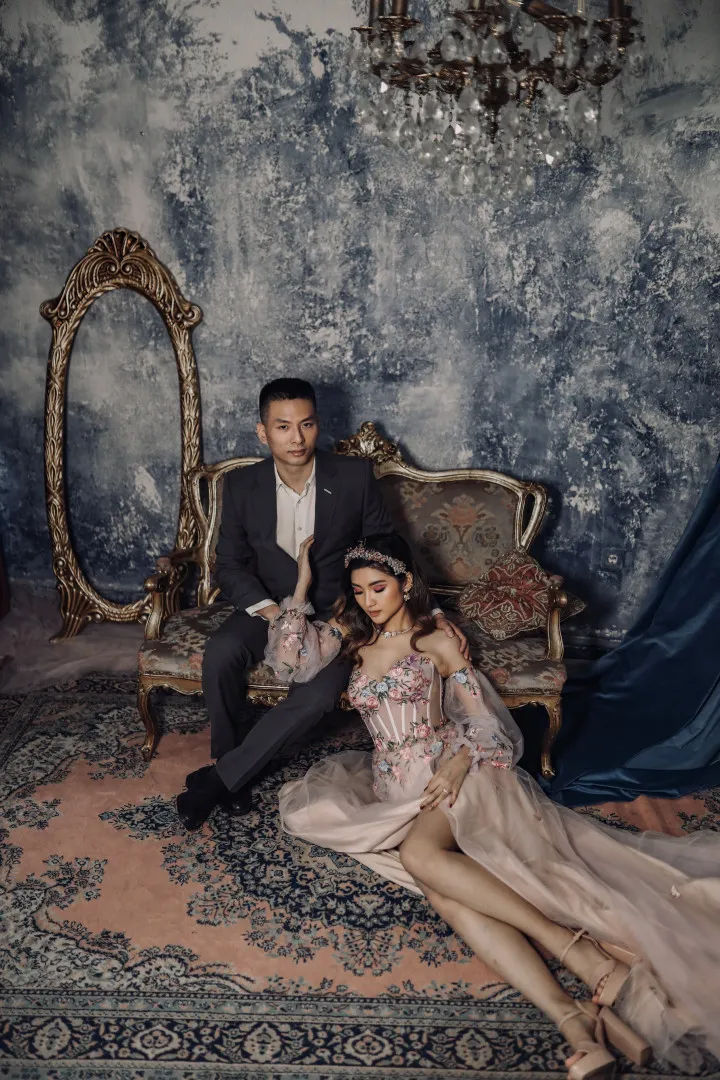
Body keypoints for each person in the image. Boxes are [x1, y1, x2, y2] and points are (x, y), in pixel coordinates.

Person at [265, 531, 720, 1077]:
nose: (369, 600)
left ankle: (577, 953)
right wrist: (302, 585)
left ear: (406, 583)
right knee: (444, 892)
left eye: (379, 588)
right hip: (392, 788)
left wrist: (460, 762)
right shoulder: (353, 637)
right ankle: (571, 1017)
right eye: (360, 590)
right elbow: (287, 664)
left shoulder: (436, 640)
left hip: (453, 776)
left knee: (421, 858)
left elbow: (485, 723)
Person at [176, 378, 468, 830]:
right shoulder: (240, 485)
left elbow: (390, 553)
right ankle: (230, 764)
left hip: (341, 617)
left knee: (316, 696)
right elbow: (229, 566)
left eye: (306, 424)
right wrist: (276, 614)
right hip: (270, 608)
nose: (296, 438)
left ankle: (220, 781)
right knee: (220, 653)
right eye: (283, 427)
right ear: (262, 432)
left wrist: (431, 613)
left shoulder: (352, 476)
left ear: (318, 425)